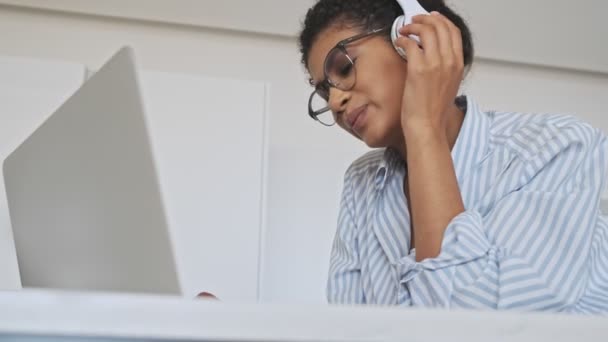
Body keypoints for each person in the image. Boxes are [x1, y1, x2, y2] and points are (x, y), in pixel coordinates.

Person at [298, 0, 608, 313]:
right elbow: (347, 327)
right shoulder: (360, 181)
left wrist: (423, 126)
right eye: (324, 92)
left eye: (344, 68)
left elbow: (478, 326)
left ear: (413, 40)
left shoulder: (557, 146)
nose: (336, 100)